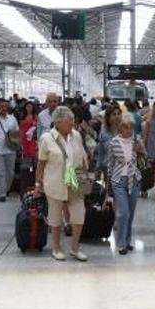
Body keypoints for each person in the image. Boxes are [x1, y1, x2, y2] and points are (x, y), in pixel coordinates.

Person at [35, 106, 89, 262]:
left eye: (73, 119)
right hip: (55, 182)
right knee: (55, 217)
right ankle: (56, 248)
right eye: (69, 120)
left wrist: (85, 173)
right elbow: (41, 163)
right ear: (58, 122)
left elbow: (83, 156)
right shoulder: (46, 138)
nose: (73, 123)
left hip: (75, 181)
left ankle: (75, 248)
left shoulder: (77, 135)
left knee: (79, 214)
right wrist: (38, 184)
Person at [106, 114, 144, 255]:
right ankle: (120, 243)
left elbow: (145, 156)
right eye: (125, 127)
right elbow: (110, 163)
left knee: (131, 213)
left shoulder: (136, 141)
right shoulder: (113, 143)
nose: (128, 130)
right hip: (119, 180)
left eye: (130, 128)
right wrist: (108, 180)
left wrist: (140, 150)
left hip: (133, 179)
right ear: (120, 128)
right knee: (123, 213)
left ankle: (127, 242)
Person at [95, 105, 122, 178]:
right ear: (108, 117)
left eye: (119, 114)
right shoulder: (105, 133)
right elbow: (104, 151)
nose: (117, 117)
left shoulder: (125, 130)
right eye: (114, 114)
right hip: (109, 169)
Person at [19, 101, 39, 176]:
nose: (29, 108)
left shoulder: (36, 117)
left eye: (30, 107)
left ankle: (34, 173)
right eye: (27, 107)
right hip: (24, 139)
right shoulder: (23, 116)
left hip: (32, 139)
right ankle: (28, 174)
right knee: (26, 157)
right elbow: (20, 129)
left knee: (33, 155)